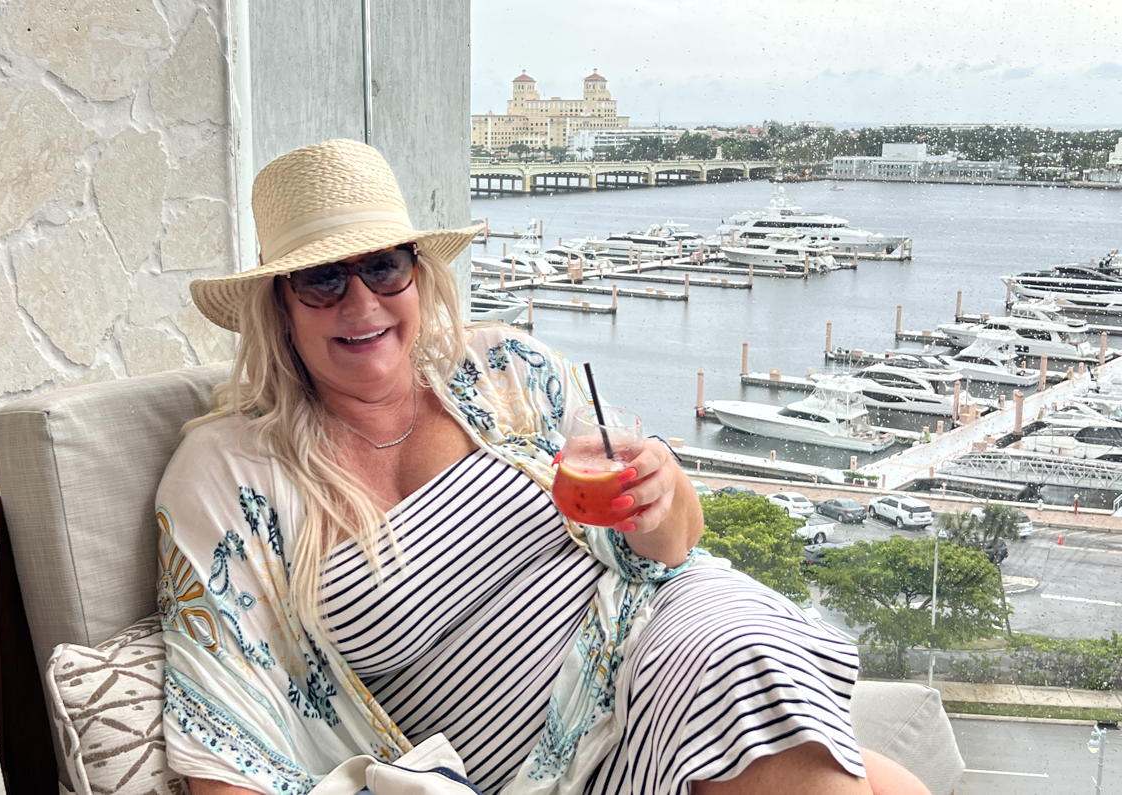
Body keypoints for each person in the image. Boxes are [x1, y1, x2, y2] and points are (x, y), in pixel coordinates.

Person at [156, 139, 926, 794]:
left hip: (670, 635)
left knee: (784, 717)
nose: (363, 301)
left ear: (418, 276)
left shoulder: (505, 371)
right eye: (323, 279)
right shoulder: (231, 474)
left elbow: (678, 545)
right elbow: (224, 728)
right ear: (278, 305)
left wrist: (661, 491)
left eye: (385, 266)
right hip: (550, 770)